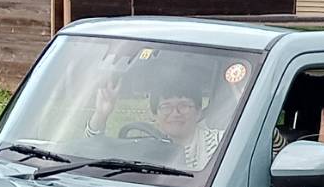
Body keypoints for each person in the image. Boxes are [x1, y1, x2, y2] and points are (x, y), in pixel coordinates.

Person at [86, 73, 223, 171]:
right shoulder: (145, 145)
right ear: (154, 115)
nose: (175, 113)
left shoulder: (220, 143)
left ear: (198, 112)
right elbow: (90, 149)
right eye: (166, 107)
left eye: (184, 106)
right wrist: (101, 114)